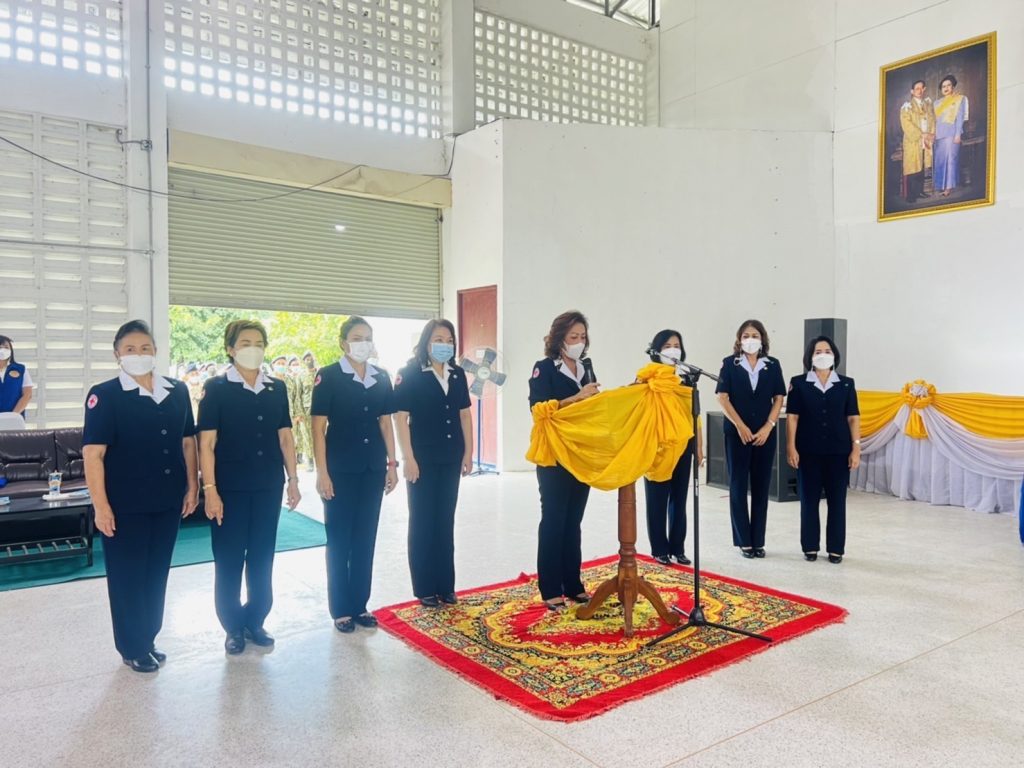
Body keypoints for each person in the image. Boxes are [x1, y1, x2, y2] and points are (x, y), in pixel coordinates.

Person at [82, 320, 199, 673]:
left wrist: (192, 487)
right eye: (130, 349)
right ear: (117, 354)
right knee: (127, 577)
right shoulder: (105, 395)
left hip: (167, 500)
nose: (138, 354)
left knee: (156, 573)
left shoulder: (177, 390)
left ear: (155, 352)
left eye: (145, 348)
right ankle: (132, 647)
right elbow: (93, 454)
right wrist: (101, 506)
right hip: (125, 505)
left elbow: (188, 442)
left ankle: (148, 638)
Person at [197, 320, 300, 655]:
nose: (252, 349)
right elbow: (206, 444)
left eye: (258, 343)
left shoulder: (276, 388)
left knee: (261, 555)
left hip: (268, 485)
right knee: (229, 558)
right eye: (245, 343)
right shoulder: (216, 388)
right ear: (230, 349)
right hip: (229, 489)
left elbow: (285, 437)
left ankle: (255, 620)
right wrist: (210, 489)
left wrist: (293, 479)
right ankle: (232, 626)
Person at [312, 317, 399, 633]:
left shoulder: (381, 376)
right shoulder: (329, 376)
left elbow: (385, 422)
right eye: (357, 337)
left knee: (365, 538)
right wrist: (322, 472)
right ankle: (341, 609)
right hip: (339, 470)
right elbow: (318, 428)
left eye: (368, 337)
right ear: (343, 343)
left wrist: (392, 464)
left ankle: (360, 604)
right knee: (339, 540)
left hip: (372, 468)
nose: (363, 343)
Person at [392, 319, 473, 607]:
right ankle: (425, 587)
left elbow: (465, 414)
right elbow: (400, 418)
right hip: (422, 459)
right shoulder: (409, 374)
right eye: (438, 339)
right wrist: (408, 458)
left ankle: (445, 586)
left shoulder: (457, 374)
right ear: (426, 342)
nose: (444, 345)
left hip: (451, 456)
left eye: (449, 340)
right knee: (422, 521)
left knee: (445, 520)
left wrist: (468, 453)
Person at [528, 310, 601, 610]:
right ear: (560, 339)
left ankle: (573, 584)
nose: (579, 342)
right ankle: (550, 588)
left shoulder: (586, 367)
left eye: (582, 337)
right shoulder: (544, 368)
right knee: (554, 520)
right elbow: (538, 409)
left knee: (573, 522)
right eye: (573, 337)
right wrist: (577, 398)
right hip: (554, 455)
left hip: (580, 454)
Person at [785, 336, 861, 564]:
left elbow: (853, 418)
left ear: (834, 355)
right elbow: (793, 417)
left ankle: (836, 548)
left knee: (837, 501)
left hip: (839, 452)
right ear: (810, 356)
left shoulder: (846, 384)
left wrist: (856, 448)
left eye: (827, 351)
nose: (823, 355)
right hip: (808, 451)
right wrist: (791, 446)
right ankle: (809, 546)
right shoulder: (799, 383)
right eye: (818, 351)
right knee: (809, 501)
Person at [715, 319, 785, 558]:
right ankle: (744, 540)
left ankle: (758, 540)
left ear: (762, 339)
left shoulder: (772, 365)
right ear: (739, 339)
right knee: (737, 485)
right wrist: (740, 425)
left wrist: (769, 426)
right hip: (737, 433)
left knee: (761, 486)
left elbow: (778, 398)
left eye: (755, 335)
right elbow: (722, 397)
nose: (750, 340)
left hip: (765, 434)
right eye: (746, 336)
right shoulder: (730, 363)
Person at [644, 329, 704, 566]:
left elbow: (695, 415)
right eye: (667, 346)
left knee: (680, 498)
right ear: (657, 351)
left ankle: (678, 547)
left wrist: (699, 445)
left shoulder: (686, 380)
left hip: (684, 444)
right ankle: (659, 549)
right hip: (658, 446)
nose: (673, 350)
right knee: (657, 499)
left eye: (676, 345)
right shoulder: (649, 378)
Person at [900, 79, 935, 204]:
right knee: (912, 167)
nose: (919, 91)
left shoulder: (927, 105)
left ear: (924, 89)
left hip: (925, 141)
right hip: (913, 141)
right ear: (912, 91)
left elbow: (932, 120)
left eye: (921, 88)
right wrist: (921, 134)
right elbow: (906, 124)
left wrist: (931, 134)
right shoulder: (907, 107)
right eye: (917, 89)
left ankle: (919, 191)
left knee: (922, 166)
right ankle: (910, 195)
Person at [933, 74, 969, 198]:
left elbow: (960, 118)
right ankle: (941, 186)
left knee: (950, 161)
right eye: (943, 86)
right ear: (941, 89)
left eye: (948, 85)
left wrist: (958, 135)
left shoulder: (959, 99)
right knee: (940, 161)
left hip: (952, 134)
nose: (946, 88)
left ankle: (948, 188)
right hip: (939, 135)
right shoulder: (936, 103)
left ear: (953, 87)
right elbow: (934, 121)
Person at [0, 335, 33, 416]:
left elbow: (27, 394)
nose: (3, 350)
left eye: (6, 347)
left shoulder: (21, 369)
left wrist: (13, 415)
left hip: (15, 418)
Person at [291, 354, 314, 470]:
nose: (309, 361)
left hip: (321, 409)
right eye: (306, 359)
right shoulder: (301, 376)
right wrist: (299, 412)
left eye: (311, 359)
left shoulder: (321, 374)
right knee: (306, 435)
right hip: (306, 410)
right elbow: (298, 395)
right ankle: (310, 460)